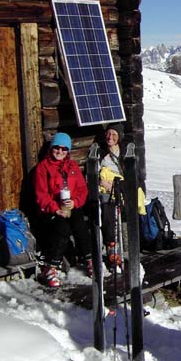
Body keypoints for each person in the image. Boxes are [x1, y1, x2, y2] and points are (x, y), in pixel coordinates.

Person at [33, 132, 92, 287]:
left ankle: (89, 260)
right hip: (51, 209)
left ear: (68, 151)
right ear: (52, 148)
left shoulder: (72, 166)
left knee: (79, 223)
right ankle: (50, 267)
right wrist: (54, 208)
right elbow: (41, 194)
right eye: (57, 148)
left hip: (70, 205)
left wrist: (75, 202)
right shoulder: (43, 167)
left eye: (64, 149)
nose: (60, 152)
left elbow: (82, 189)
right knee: (62, 228)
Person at [98, 123, 126, 270]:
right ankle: (112, 248)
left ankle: (114, 248)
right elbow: (94, 172)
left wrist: (115, 186)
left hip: (120, 190)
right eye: (108, 134)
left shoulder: (124, 154)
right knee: (107, 207)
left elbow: (131, 176)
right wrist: (101, 181)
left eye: (114, 135)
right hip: (104, 191)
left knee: (113, 207)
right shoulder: (101, 153)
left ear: (119, 137)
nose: (110, 137)